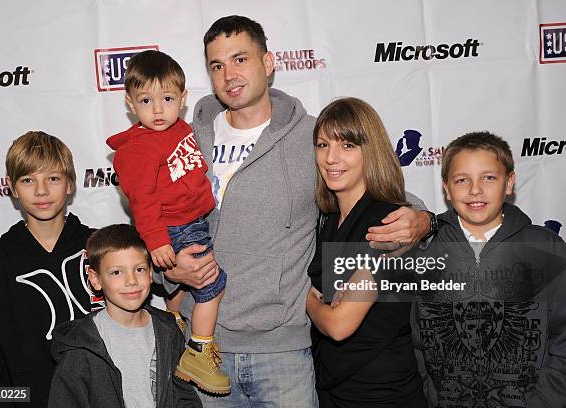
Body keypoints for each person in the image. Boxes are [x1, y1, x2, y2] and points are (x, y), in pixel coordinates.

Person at [161, 15, 433, 406]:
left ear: (268, 63)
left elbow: (378, 184)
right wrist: (169, 273)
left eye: (240, 60)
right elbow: (156, 218)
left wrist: (421, 219)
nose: (229, 75)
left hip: (283, 351)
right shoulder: (185, 139)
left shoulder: (311, 136)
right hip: (205, 347)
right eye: (216, 65)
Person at [411, 132, 566, 407]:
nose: (475, 190)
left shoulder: (546, 249)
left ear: (509, 182)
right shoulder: (425, 252)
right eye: (462, 180)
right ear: (447, 189)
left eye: (489, 177)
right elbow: (415, 340)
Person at [106, 50, 229, 394]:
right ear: (131, 103)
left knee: (181, 286)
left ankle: (174, 324)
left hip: (192, 220)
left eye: (168, 98)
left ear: (183, 99)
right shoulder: (138, 149)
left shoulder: (181, 128)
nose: (158, 109)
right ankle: (199, 351)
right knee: (211, 283)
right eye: (146, 100)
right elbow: (142, 201)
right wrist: (157, 239)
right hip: (176, 227)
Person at [306, 97, 427, 407]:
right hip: (333, 387)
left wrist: (304, 294)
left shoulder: (387, 223)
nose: (331, 158)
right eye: (322, 145)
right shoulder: (329, 218)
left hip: (383, 394)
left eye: (347, 146)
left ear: (369, 151)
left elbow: (339, 324)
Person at [0, 131, 103, 408]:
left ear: (70, 183)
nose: (41, 191)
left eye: (52, 178)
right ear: (13, 188)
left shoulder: (103, 248)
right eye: (28, 180)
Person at [48, 224, 202, 407]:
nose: (131, 281)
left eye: (139, 269)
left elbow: (182, 394)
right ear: (95, 279)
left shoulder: (168, 329)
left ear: (151, 273)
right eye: (116, 272)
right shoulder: (81, 345)